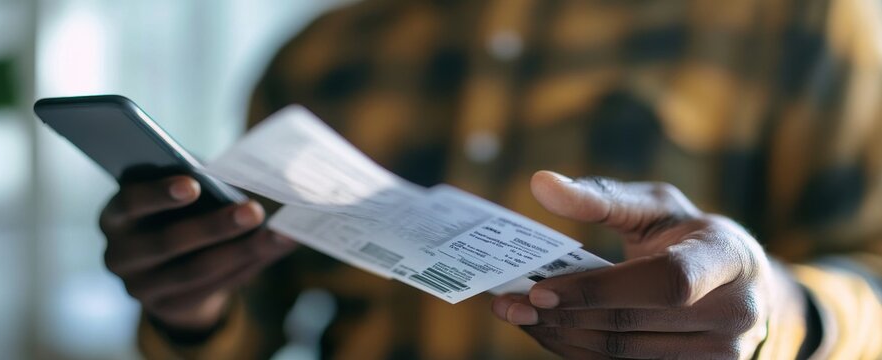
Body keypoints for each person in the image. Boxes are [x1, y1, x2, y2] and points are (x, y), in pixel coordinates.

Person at [100, 0, 882, 358]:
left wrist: (776, 316)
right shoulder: (321, 53)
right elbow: (250, 325)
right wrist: (190, 307)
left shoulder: (799, 20)